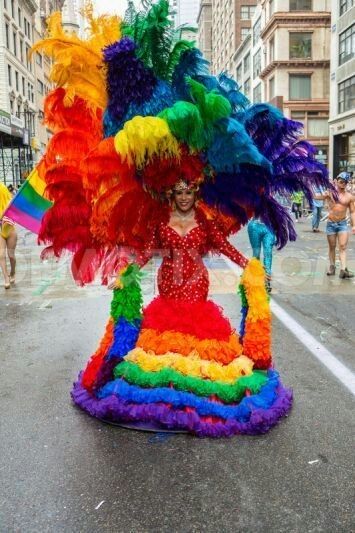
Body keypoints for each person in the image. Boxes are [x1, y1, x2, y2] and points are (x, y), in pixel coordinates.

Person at [31, 1, 331, 437]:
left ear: (196, 192)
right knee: (154, 362)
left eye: (191, 191)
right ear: (171, 193)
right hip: (168, 293)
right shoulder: (158, 222)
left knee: (214, 367)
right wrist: (127, 274)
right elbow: (145, 250)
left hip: (199, 296)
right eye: (180, 192)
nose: (186, 196)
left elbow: (228, 248)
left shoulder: (206, 223)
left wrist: (252, 270)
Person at [314, 172, 355, 279]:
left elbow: (352, 212)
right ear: (337, 181)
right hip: (331, 224)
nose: (343, 184)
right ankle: (332, 266)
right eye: (341, 181)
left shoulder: (349, 197)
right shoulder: (330, 193)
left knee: (343, 246)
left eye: (345, 182)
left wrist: (353, 225)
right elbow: (317, 197)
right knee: (332, 246)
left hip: (342, 224)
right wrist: (307, 190)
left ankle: (343, 269)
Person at [247, 218, 276, 292]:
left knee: (268, 253)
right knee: (256, 254)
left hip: (269, 226)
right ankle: (256, 280)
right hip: (254, 226)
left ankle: (266, 281)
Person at [0, 183, 17, 289]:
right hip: (0, 231)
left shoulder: (9, 202)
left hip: (10, 230)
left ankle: (13, 272)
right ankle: (6, 278)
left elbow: (16, 214)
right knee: (1, 255)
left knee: (11, 256)